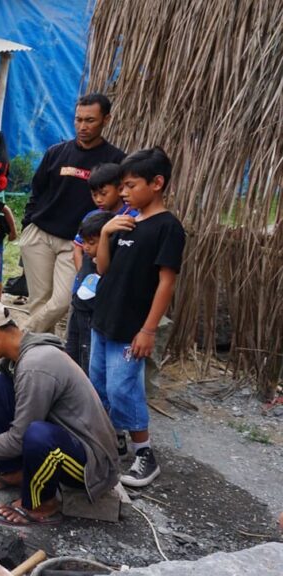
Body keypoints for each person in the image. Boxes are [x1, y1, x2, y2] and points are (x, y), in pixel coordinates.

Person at [0, 298, 120, 526]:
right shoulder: (24, 352)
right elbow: (21, 403)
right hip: (68, 437)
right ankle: (14, 472)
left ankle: (42, 505)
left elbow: (18, 440)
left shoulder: (35, 365)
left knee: (38, 435)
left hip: (92, 464)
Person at [91, 147, 185, 488]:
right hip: (103, 320)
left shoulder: (167, 228)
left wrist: (147, 330)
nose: (124, 192)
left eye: (131, 185)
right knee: (100, 387)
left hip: (131, 328)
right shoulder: (126, 222)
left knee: (122, 389)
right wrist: (105, 233)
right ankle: (110, 441)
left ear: (157, 183)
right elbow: (103, 269)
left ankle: (145, 454)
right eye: (123, 186)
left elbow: (166, 282)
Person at [20, 94, 125, 334]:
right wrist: (28, 223)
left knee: (61, 303)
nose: (82, 126)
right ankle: (39, 360)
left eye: (90, 120)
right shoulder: (56, 152)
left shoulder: (116, 160)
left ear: (106, 120)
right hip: (40, 237)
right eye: (78, 120)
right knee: (39, 303)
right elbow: (37, 190)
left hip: (76, 243)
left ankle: (19, 338)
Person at [65, 210, 113, 376]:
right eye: (84, 242)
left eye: (91, 243)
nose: (85, 247)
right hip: (78, 311)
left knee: (88, 357)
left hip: (93, 318)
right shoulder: (87, 257)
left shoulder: (109, 266)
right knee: (71, 352)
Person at [72, 162, 137, 271]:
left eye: (103, 193)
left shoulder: (132, 217)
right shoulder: (91, 216)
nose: (98, 199)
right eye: (94, 195)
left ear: (120, 189)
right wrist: (84, 275)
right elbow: (78, 249)